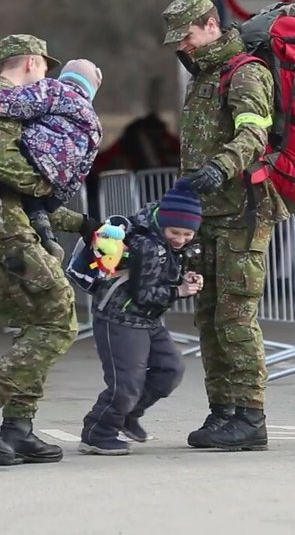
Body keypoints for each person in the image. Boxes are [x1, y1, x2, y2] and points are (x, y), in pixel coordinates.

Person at [0, 34, 102, 466]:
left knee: (37, 323)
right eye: (46, 66)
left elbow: (18, 188)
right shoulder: (3, 98)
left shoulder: (11, 101)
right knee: (60, 319)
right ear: (32, 61)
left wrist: (82, 223)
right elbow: (2, 163)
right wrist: (49, 188)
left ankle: (18, 429)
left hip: (0, 225)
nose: (48, 74)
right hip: (3, 229)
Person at [161, 0, 289, 451]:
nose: (184, 47)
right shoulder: (203, 77)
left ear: (211, 24)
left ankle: (251, 416)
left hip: (242, 212)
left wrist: (221, 166)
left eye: (188, 36)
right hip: (207, 215)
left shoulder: (246, 72)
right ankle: (223, 412)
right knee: (209, 317)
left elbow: (253, 132)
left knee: (236, 316)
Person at [79, 180, 204, 455]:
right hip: (120, 317)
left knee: (170, 370)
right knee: (126, 384)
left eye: (188, 234)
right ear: (163, 223)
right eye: (176, 232)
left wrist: (183, 278)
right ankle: (98, 432)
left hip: (147, 319)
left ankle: (126, 415)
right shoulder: (147, 244)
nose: (181, 239)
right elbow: (145, 293)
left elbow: (159, 274)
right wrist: (180, 290)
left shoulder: (164, 240)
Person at [0, 59, 103, 260]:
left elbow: (24, 102)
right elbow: (83, 169)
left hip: (34, 150)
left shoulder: (55, 89)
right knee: (35, 202)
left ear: (65, 78)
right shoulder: (95, 124)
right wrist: (56, 198)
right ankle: (48, 238)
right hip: (57, 175)